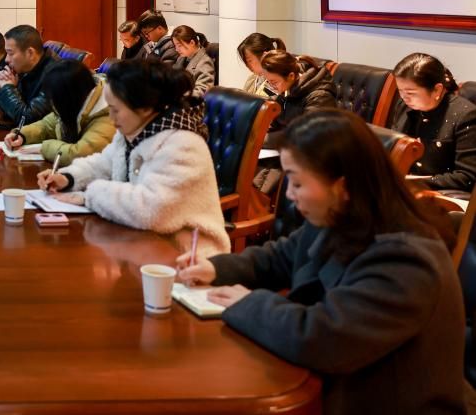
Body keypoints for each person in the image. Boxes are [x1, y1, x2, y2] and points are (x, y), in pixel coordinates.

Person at [178, 109, 464, 415]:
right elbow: (281, 256)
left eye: (297, 183)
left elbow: (324, 339)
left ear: (342, 186)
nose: (289, 195)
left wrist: (248, 304)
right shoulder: (342, 214)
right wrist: (216, 267)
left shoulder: (406, 259)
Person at [38, 59, 229, 257]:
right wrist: (68, 178)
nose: (111, 118)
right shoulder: (134, 130)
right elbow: (103, 163)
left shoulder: (182, 144)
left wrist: (90, 194)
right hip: (141, 246)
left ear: (144, 108)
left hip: (187, 256)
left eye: (116, 110)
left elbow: (150, 210)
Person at [391, 52, 476, 193]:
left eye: (410, 93)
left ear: (437, 89)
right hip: (404, 188)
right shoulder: (404, 106)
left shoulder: (466, 116)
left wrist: (413, 182)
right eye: (400, 91)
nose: (404, 98)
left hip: (442, 194)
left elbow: (467, 177)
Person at [4, 59, 115, 166]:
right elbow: (47, 125)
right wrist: (22, 135)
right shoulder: (76, 102)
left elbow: (80, 154)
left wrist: (44, 148)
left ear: (67, 97)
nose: (52, 104)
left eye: (55, 99)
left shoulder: (108, 112)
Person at [0, 25, 55, 127]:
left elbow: (26, 120)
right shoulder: (24, 69)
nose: (6, 59)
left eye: (10, 53)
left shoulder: (54, 75)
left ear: (30, 53)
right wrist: (2, 87)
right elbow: (7, 114)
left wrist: (7, 88)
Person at [262, 50, 337, 135]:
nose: (271, 86)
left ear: (291, 76)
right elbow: (274, 126)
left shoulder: (320, 97)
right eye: (268, 81)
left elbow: (310, 135)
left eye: (274, 82)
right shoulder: (286, 90)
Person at [237, 32, 286, 97]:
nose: (248, 66)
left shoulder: (281, 80)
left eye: (249, 61)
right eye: (246, 62)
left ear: (264, 56)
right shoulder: (252, 79)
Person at [171, 25, 214, 97]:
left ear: (192, 43)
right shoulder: (181, 58)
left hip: (190, 102)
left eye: (179, 45)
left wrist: (176, 95)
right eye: (175, 45)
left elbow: (202, 91)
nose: (176, 49)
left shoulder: (205, 63)